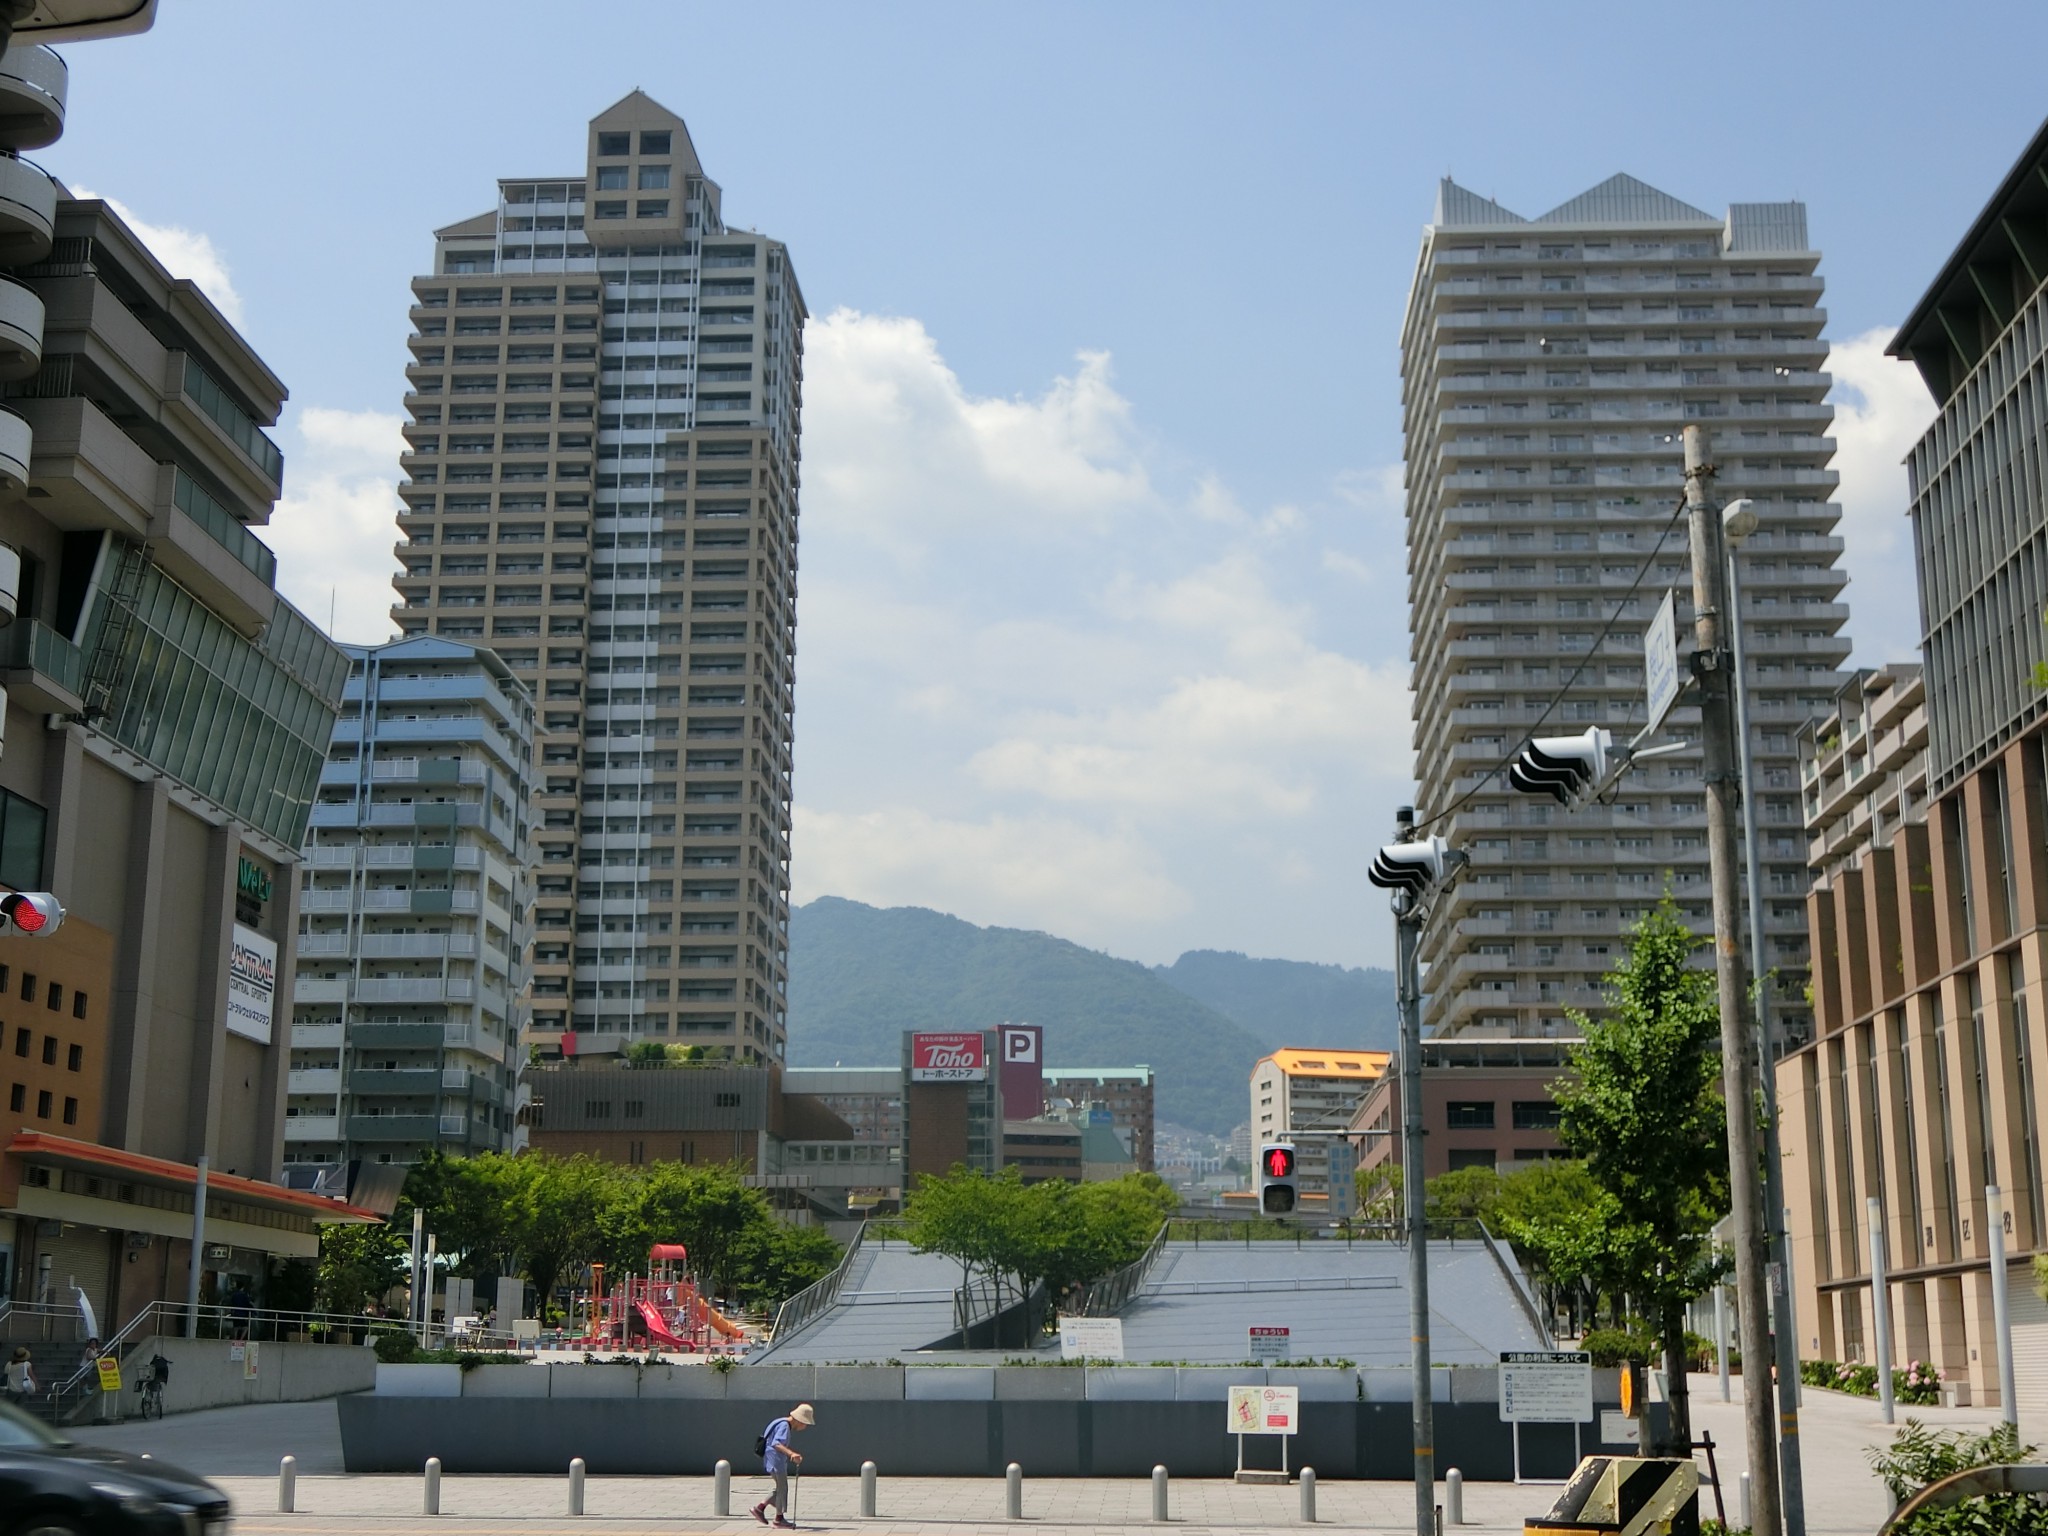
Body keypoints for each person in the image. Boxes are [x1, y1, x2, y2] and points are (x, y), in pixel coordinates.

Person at [750, 1401, 813, 1527]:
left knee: (780, 1488)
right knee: (782, 1488)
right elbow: (776, 1443)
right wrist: (791, 1454)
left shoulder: (779, 1421)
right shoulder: (784, 1426)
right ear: (799, 1420)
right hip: (776, 1461)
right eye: (805, 1424)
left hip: (771, 1460)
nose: (804, 1427)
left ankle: (761, 1508)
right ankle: (778, 1519)